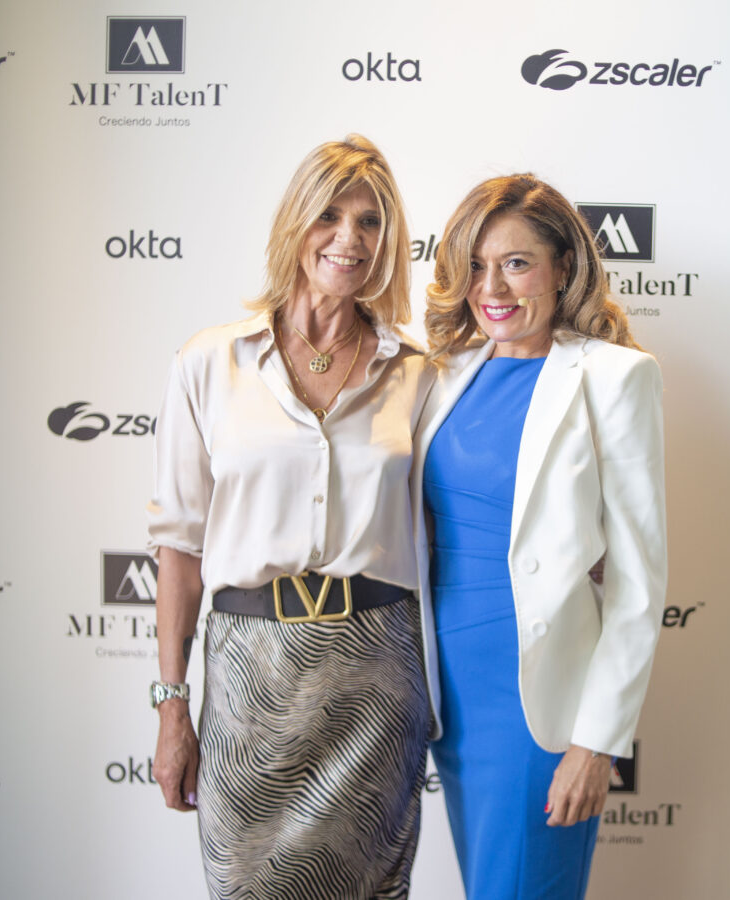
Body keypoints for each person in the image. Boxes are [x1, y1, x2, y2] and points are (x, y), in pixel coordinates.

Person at [145, 135, 432, 900]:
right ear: (294, 224)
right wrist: (172, 707)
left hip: (377, 682)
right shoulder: (209, 363)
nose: (349, 239)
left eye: (370, 221)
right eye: (329, 215)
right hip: (250, 682)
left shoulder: (417, 373)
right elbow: (179, 550)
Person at [410, 174, 668, 899]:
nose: (492, 287)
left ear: (563, 268)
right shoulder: (442, 376)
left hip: (540, 707)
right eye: (476, 265)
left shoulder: (616, 377)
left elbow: (639, 583)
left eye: (517, 263)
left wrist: (597, 743)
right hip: (447, 696)